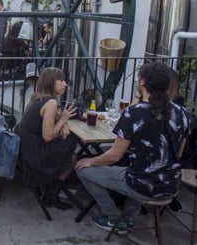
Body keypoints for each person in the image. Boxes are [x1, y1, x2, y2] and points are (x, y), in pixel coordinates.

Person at [75, 61, 189, 235]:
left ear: (142, 82)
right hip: (171, 185)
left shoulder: (134, 113)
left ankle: (113, 216)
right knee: (136, 170)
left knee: (83, 170)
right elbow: (178, 154)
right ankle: (129, 218)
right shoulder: (182, 113)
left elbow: (113, 156)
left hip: (142, 186)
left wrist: (90, 160)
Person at [14, 67, 77, 210]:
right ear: (51, 82)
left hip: (23, 150)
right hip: (32, 156)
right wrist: (64, 119)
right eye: (61, 80)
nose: (65, 84)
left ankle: (52, 190)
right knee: (71, 149)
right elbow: (48, 136)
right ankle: (52, 195)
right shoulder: (51, 103)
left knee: (67, 146)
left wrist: (61, 121)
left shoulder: (38, 97)